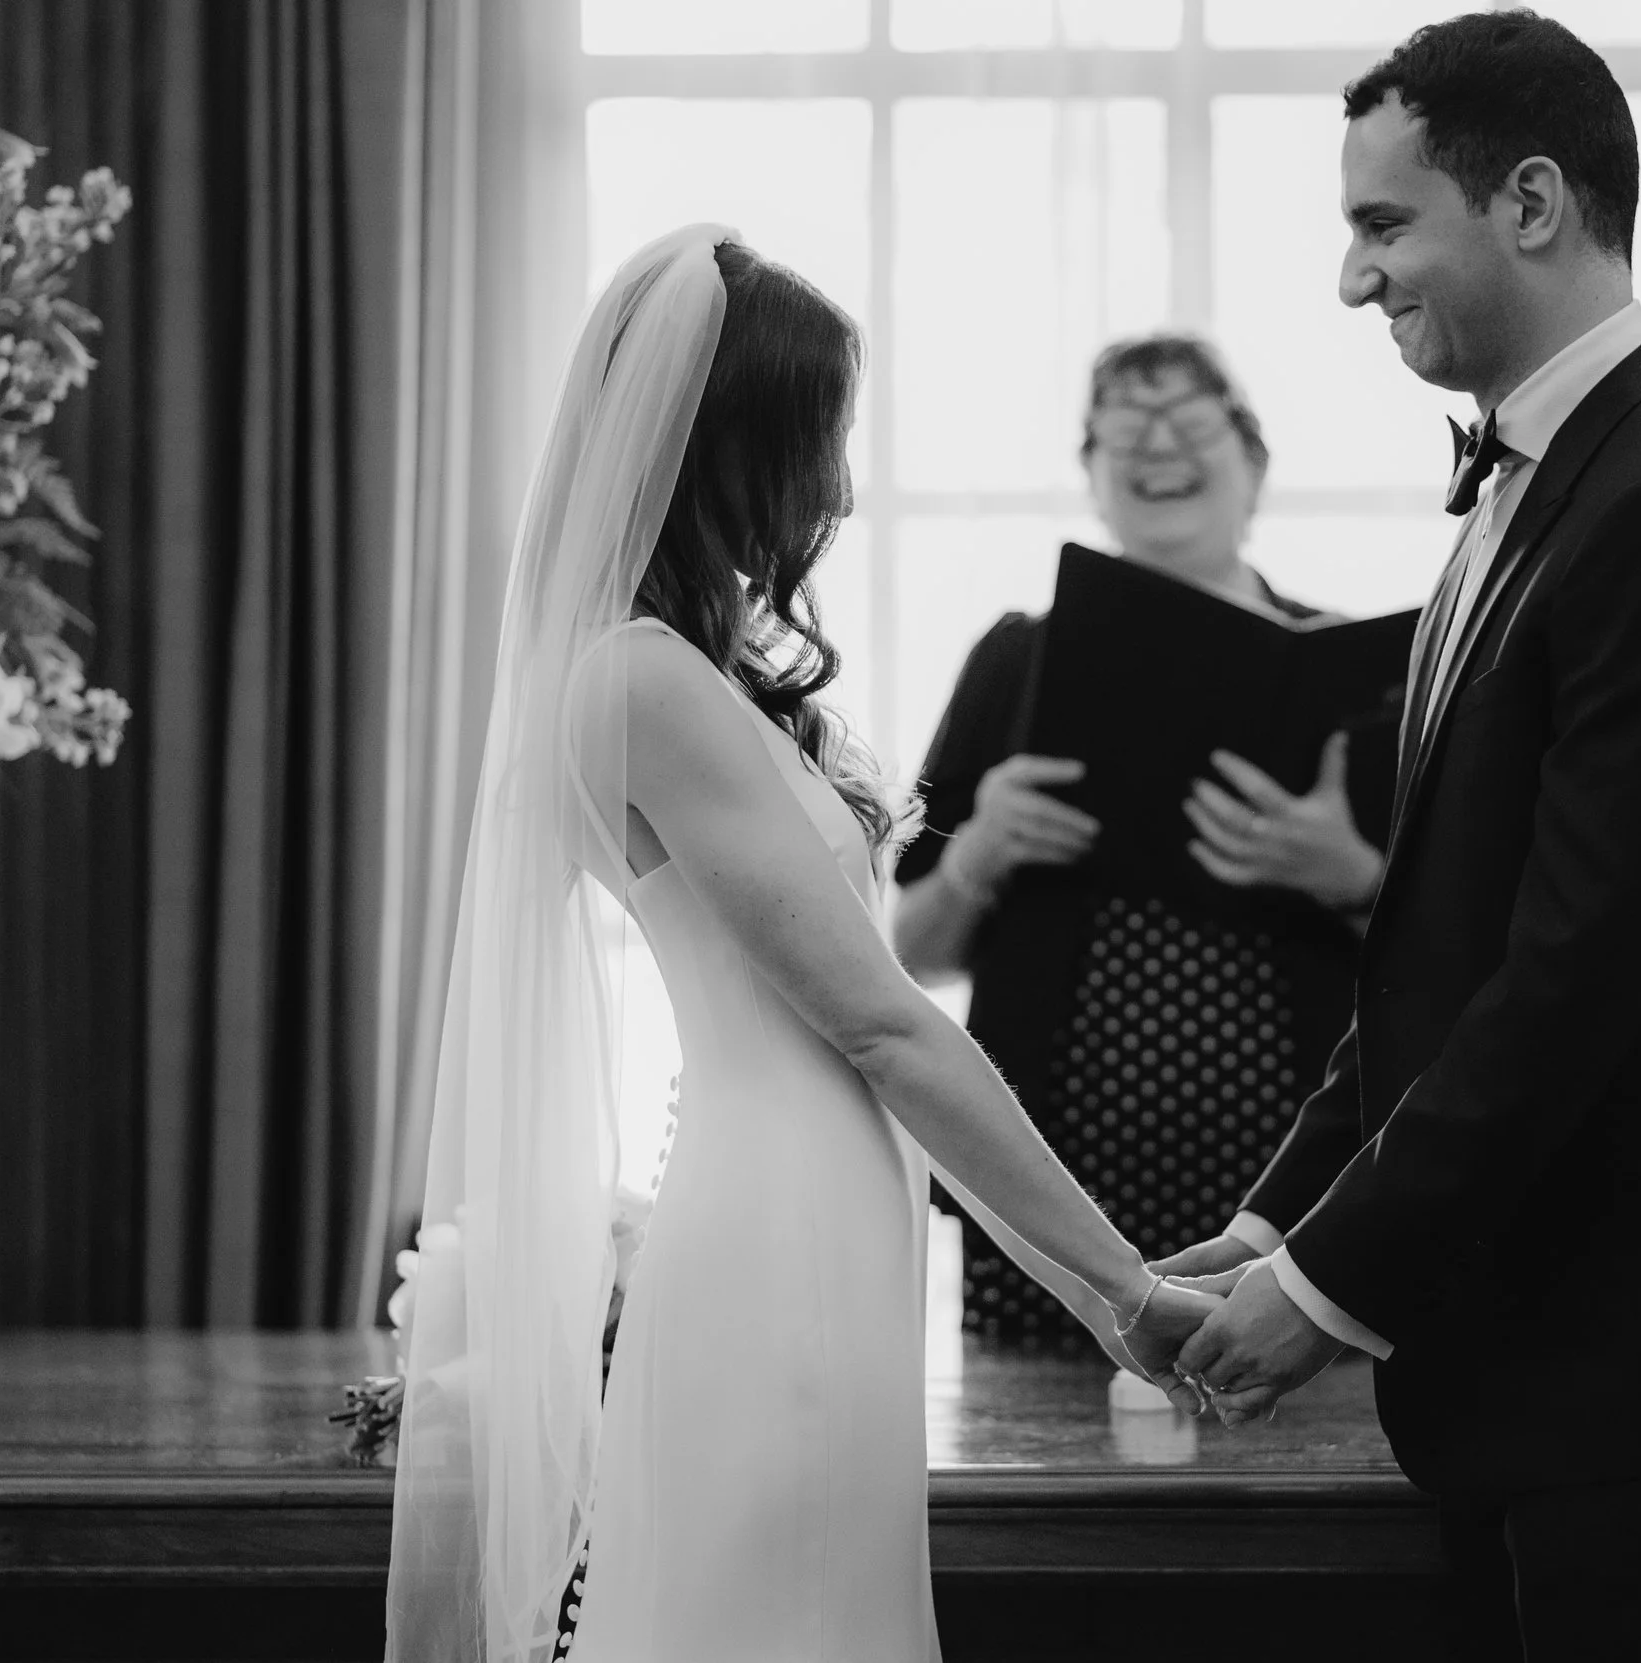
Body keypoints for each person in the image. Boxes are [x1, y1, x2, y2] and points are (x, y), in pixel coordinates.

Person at [383, 228, 1219, 1663]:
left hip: (829, 1217)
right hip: (772, 1243)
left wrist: (1106, 1298)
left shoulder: (704, 680)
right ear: (733, 449)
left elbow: (883, 1042)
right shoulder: (638, 679)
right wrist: (1126, 1285)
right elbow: (886, 1026)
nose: (838, 486)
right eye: (819, 441)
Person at [1150, 13, 1641, 1662]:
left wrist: (1324, 1289)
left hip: (1637, 1348)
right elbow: (1443, 940)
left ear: (1531, 203)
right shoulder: (1539, 489)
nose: (1352, 278)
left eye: (1383, 224)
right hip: (1540, 1341)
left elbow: (1572, 980)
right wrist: (1277, 1217)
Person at [892, 333, 1397, 1355]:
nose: (1158, 440)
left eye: (1189, 418)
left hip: (1292, 1193)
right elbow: (911, 949)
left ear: (1253, 465)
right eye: (1125, 422)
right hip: (1051, 1196)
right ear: (1092, 474)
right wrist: (981, 848)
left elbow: (1452, 951)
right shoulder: (1012, 659)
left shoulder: (1359, 678)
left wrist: (1348, 877)